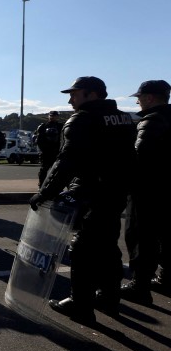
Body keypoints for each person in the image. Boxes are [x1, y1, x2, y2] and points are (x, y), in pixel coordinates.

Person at [29, 76, 136, 324]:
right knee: (108, 245)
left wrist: (45, 192)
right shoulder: (124, 118)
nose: (70, 100)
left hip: (91, 191)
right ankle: (109, 297)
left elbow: (67, 161)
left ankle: (80, 305)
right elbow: (131, 157)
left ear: (91, 94)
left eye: (75, 94)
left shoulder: (82, 120)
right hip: (116, 192)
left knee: (82, 250)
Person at [121, 80, 171, 305]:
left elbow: (137, 159)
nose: (138, 102)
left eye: (139, 98)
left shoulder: (151, 121)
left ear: (150, 98)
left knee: (141, 238)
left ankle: (139, 286)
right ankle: (166, 278)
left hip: (148, 191)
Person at [34, 111, 62, 187]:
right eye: (51, 115)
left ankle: (56, 186)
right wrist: (43, 149)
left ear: (57, 117)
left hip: (57, 151)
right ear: (48, 116)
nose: (52, 117)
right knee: (44, 169)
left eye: (54, 116)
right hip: (46, 151)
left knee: (57, 170)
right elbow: (39, 139)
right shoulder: (43, 126)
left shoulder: (61, 126)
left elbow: (63, 138)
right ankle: (41, 185)